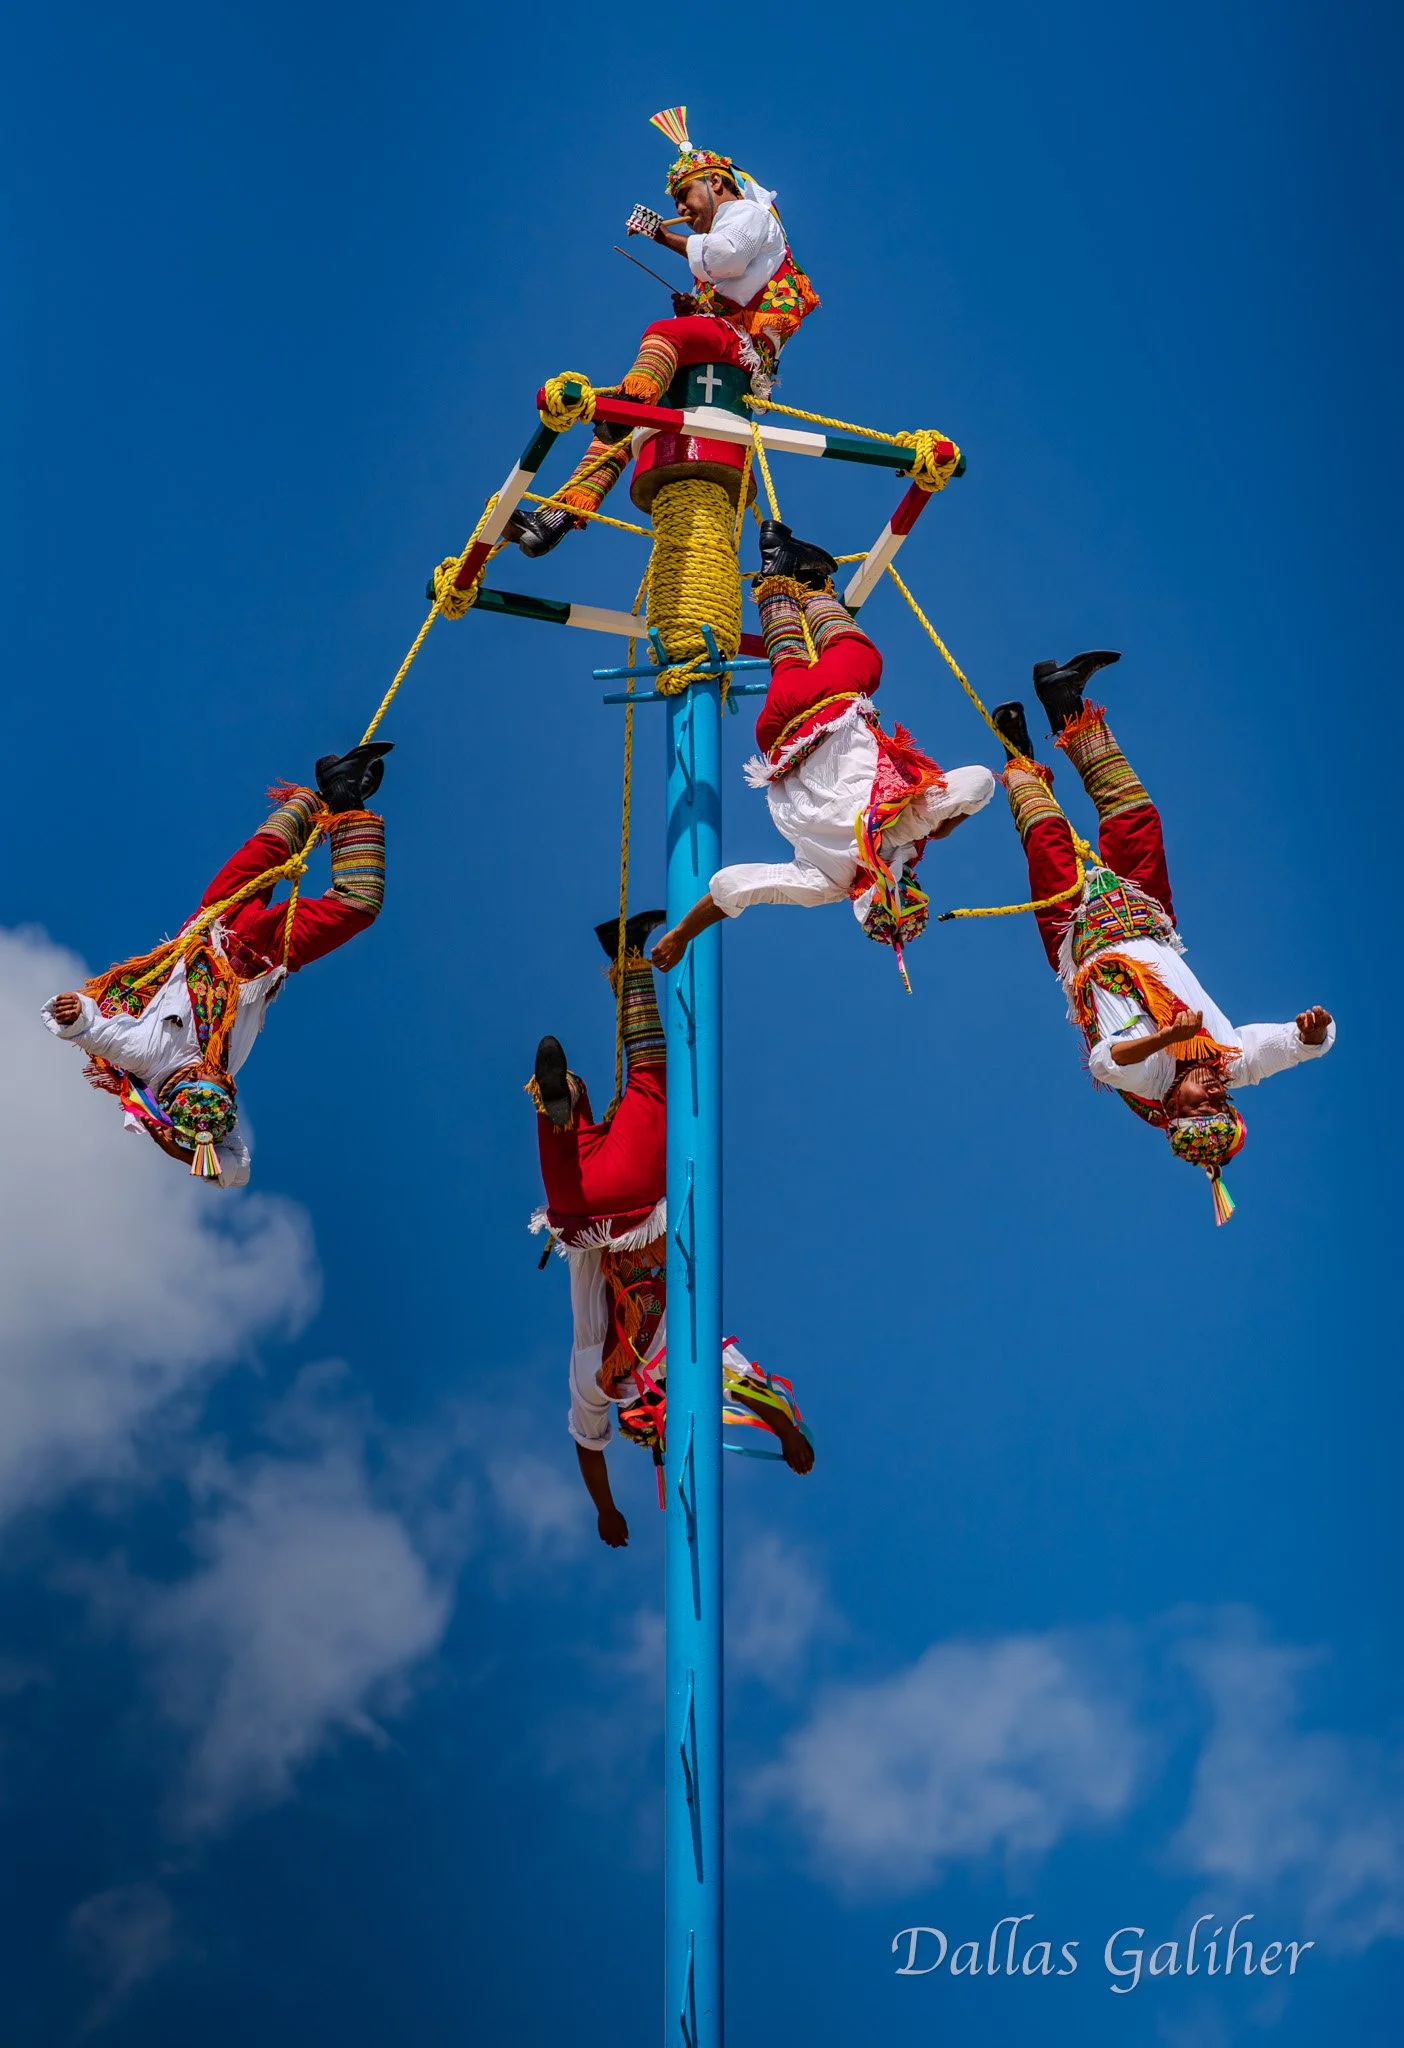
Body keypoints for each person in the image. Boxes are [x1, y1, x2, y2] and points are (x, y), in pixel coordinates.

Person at [991, 657, 1334, 1220]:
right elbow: (1291, 1051)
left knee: (1047, 840)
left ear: (1175, 1109)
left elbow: (1106, 1060)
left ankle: (1017, 756)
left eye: (1205, 1105)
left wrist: (1162, 1039)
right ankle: (1068, 704)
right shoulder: (1230, 1060)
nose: (1215, 1092)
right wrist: (1312, 1032)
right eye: (1223, 1103)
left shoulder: (1150, 1079)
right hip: (1148, 917)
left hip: (1079, 939)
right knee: (1136, 816)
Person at [532, 912, 815, 1548]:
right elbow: (587, 1446)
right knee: (581, 1116)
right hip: (574, 1206)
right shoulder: (592, 1375)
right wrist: (602, 1508)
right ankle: (567, 1093)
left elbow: (753, 1389)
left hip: (627, 1200)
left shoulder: (685, 1356)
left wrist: (792, 1433)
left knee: (654, 1080)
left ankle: (626, 968)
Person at [651, 524, 996, 982]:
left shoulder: (903, 826)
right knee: (788, 658)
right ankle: (776, 566)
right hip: (776, 734)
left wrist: (941, 826)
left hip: (830, 705)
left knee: (860, 657)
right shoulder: (823, 884)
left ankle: (811, 585)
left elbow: (980, 781)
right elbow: (732, 886)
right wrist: (681, 935)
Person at [41, 745, 390, 1186]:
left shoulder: (148, 1058)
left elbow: (95, 1031)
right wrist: (189, 1146)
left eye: (204, 1082)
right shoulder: (216, 1091)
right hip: (263, 960)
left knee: (266, 854)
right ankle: (342, 796)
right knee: (356, 904)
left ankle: (326, 795)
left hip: (215, 932)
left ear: (172, 1091)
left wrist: (71, 1012)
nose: (214, 1076)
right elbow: (235, 1170)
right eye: (223, 1088)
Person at [508, 108, 819, 558]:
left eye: (684, 194)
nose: (680, 209)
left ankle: (632, 401)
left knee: (664, 333)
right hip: (723, 344)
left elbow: (724, 257)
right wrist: (697, 308)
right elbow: (722, 275)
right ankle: (558, 515)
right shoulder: (721, 230)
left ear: (715, 182)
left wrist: (662, 238)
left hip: (746, 351)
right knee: (623, 436)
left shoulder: (749, 215)